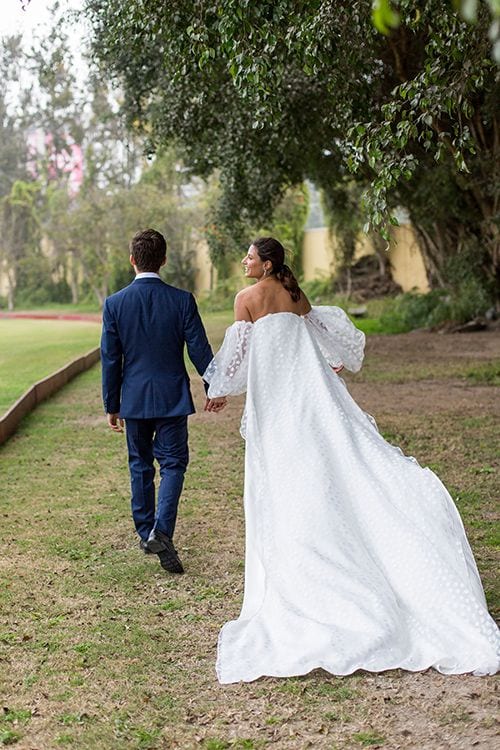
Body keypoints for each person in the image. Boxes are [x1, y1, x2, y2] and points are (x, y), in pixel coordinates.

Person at [204, 236, 500, 684]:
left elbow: (238, 364)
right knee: (332, 466)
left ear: (265, 264)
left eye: (249, 256)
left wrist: (217, 391)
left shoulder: (246, 300)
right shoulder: (293, 293)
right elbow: (316, 332)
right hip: (311, 398)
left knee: (289, 478)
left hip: (278, 406)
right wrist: (332, 361)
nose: (243, 261)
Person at [101, 228, 225, 574]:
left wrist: (112, 404)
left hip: (134, 400)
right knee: (173, 465)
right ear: (165, 260)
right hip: (171, 397)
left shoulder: (114, 304)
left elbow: (111, 359)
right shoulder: (182, 300)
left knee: (139, 464)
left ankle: (147, 534)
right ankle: (162, 531)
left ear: (132, 260)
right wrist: (213, 386)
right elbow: (200, 349)